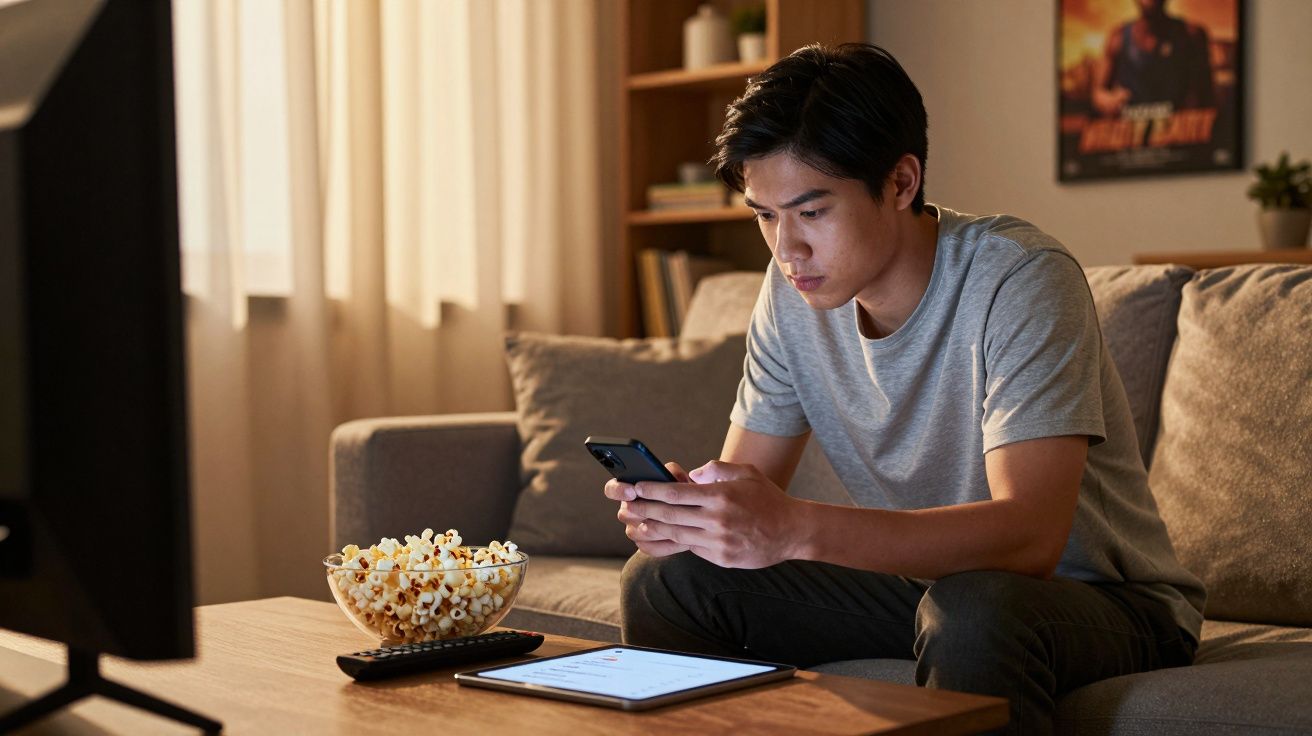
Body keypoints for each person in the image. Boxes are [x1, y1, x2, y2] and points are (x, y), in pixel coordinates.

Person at [606, 43, 1204, 735]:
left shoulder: (1020, 278)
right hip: (934, 590)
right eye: (765, 215)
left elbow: (1030, 539)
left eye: (811, 211)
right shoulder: (789, 294)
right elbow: (746, 487)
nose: (786, 249)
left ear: (900, 182)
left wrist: (793, 527)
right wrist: (695, 520)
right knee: (672, 580)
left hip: (1105, 603)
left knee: (978, 612)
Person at [1093, 0, 1214, 118]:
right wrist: (1109, 102)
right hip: (1130, 129)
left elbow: (1207, 97)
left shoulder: (1191, 36)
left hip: (1176, 127)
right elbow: (1099, 92)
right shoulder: (1117, 38)